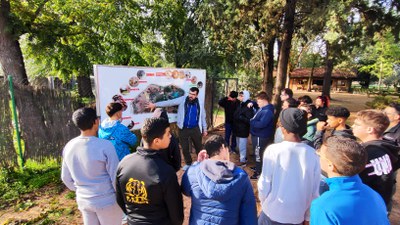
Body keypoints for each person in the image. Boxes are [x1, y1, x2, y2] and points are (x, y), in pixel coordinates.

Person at [116, 118, 184, 225]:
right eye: (168, 134)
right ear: (157, 141)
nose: (170, 136)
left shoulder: (124, 163)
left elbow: (120, 200)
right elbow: (177, 214)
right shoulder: (165, 171)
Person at [258, 108, 320, 225]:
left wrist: (264, 203)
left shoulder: (273, 150)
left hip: (272, 212)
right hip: (297, 216)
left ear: (283, 128)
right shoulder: (313, 154)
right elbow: (314, 190)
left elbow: (264, 184)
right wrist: (307, 217)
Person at [61, 107, 122, 225]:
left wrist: (81, 190)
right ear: (96, 122)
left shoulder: (69, 146)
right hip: (107, 201)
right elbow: (115, 176)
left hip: (84, 201)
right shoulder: (105, 145)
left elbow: (65, 177)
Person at [310, 136, 389, 225]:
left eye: (320, 154)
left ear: (330, 165)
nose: (317, 152)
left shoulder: (324, 206)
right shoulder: (374, 195)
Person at [181, 135, 257, 225]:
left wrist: (198, 164)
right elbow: (248, 216)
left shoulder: (192, 171)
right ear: (223, 148)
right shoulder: (241, 177)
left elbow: (185, 190)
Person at [146, 87, 207, 170]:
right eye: (190, 93)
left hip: (195, 129)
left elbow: (203, 117)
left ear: (197, 95)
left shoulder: (200, 103)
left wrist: (205, 129)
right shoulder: (183, 100)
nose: (190, 96)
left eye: (193, 94)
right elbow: (170, 102)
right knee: (184, 148)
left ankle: (202, 163)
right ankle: (188, 163)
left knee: (199, 147)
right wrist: (155, 105)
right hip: (183, 128)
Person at [352, 109, 399, 211]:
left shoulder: (368, 152)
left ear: (370, 129)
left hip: (366, 205)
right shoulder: (384, 148)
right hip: (379, 204)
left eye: (357, 124)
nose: (352, 126)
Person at [249, 92, 274, 179]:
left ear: (264, 101)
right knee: (257, 153)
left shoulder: (267, 111)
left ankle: (259, 172)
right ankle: (258, 166)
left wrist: (252, 121)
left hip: (260, 136)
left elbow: (262, 124)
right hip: (257, 135)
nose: (257, 103)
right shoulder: (263, 108)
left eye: (259, 101)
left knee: (258, 153)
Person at [232, 90, 254, 166]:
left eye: (242, 96)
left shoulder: (248, 105)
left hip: (243, 129)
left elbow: (249, 119)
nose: (240, 97)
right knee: (239, 145)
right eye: (240, 95)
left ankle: (243, 161)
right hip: (237, 128)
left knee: (242, 146)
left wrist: (241, 118)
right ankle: (243, 157)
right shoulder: (241, 104)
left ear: (246, 96)